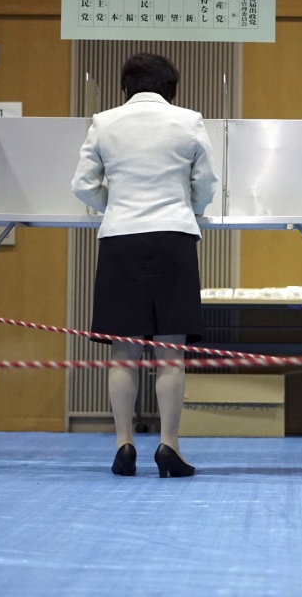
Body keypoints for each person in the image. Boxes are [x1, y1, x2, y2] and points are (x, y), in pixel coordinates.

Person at [72, 52, 219, 478]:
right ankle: (169, 446)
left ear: (126, 87)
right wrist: (189, 208)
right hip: (173, 236)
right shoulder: (189, 121)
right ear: (171, 88)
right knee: (171, 353)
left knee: (124, 352)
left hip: (120, 239)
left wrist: (115, 205)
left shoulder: (104, 122)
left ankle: (124, 444)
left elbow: (82, 185)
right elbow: (207, 183)